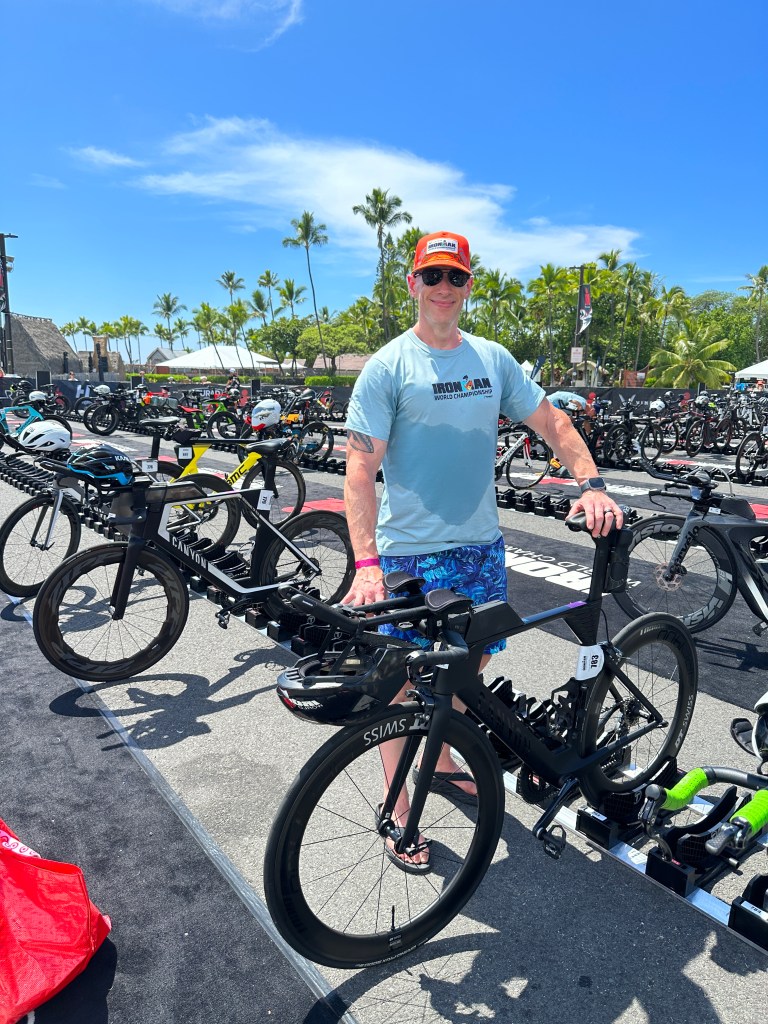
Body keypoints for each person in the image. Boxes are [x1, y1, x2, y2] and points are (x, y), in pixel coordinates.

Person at [342, 230, 624, 870]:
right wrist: (366, 564)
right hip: (410, 555)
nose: (444, 287)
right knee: (401, 685)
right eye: (432, 275)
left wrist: (592, 485)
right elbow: (359, 472)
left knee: (468, 668)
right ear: (413, 283)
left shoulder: (493, 360)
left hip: (478, 550)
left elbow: (552, 422)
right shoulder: (389, 366)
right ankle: (396, 805)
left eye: (456, 277)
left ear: (468, 286)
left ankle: (442, 760)